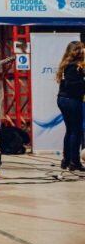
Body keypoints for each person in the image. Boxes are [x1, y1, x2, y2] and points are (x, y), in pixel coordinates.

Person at [55, 41, 85, 171]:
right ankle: (74, 162)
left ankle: (66, 161)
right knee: (76, 131)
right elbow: (73, 85)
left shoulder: (66, 65)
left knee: (70, 130)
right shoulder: (74, 66)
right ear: (77, 51)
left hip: (63, 99)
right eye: (83, 48)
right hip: (72, 100)